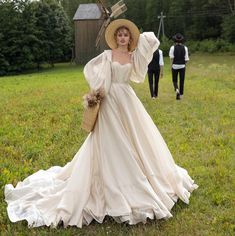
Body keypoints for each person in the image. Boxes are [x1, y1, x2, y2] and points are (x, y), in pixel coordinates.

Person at [4, 19, 198, 228]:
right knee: (109, 139)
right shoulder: (107, 56)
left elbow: (149, 42)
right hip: (110, 101)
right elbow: (90, 69)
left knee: (135, 139)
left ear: (129, 38)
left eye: (126, 35)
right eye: (119, 35)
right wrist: (97, 91)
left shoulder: (133, 56)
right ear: (115, 38)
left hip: (128, 101)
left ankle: (138, 177)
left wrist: (139, 41)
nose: (122, 38)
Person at [169, 33, 189, 100]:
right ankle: (181, 94)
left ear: (175, 40)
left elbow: (171, 58)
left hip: (174, 66)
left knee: (174, 80)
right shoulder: (185, 48)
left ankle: (177, 89)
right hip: (182, 66)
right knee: (182, 80)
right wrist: (184, 65)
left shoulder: (172, 48)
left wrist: (171, 65)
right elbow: (186, 59)